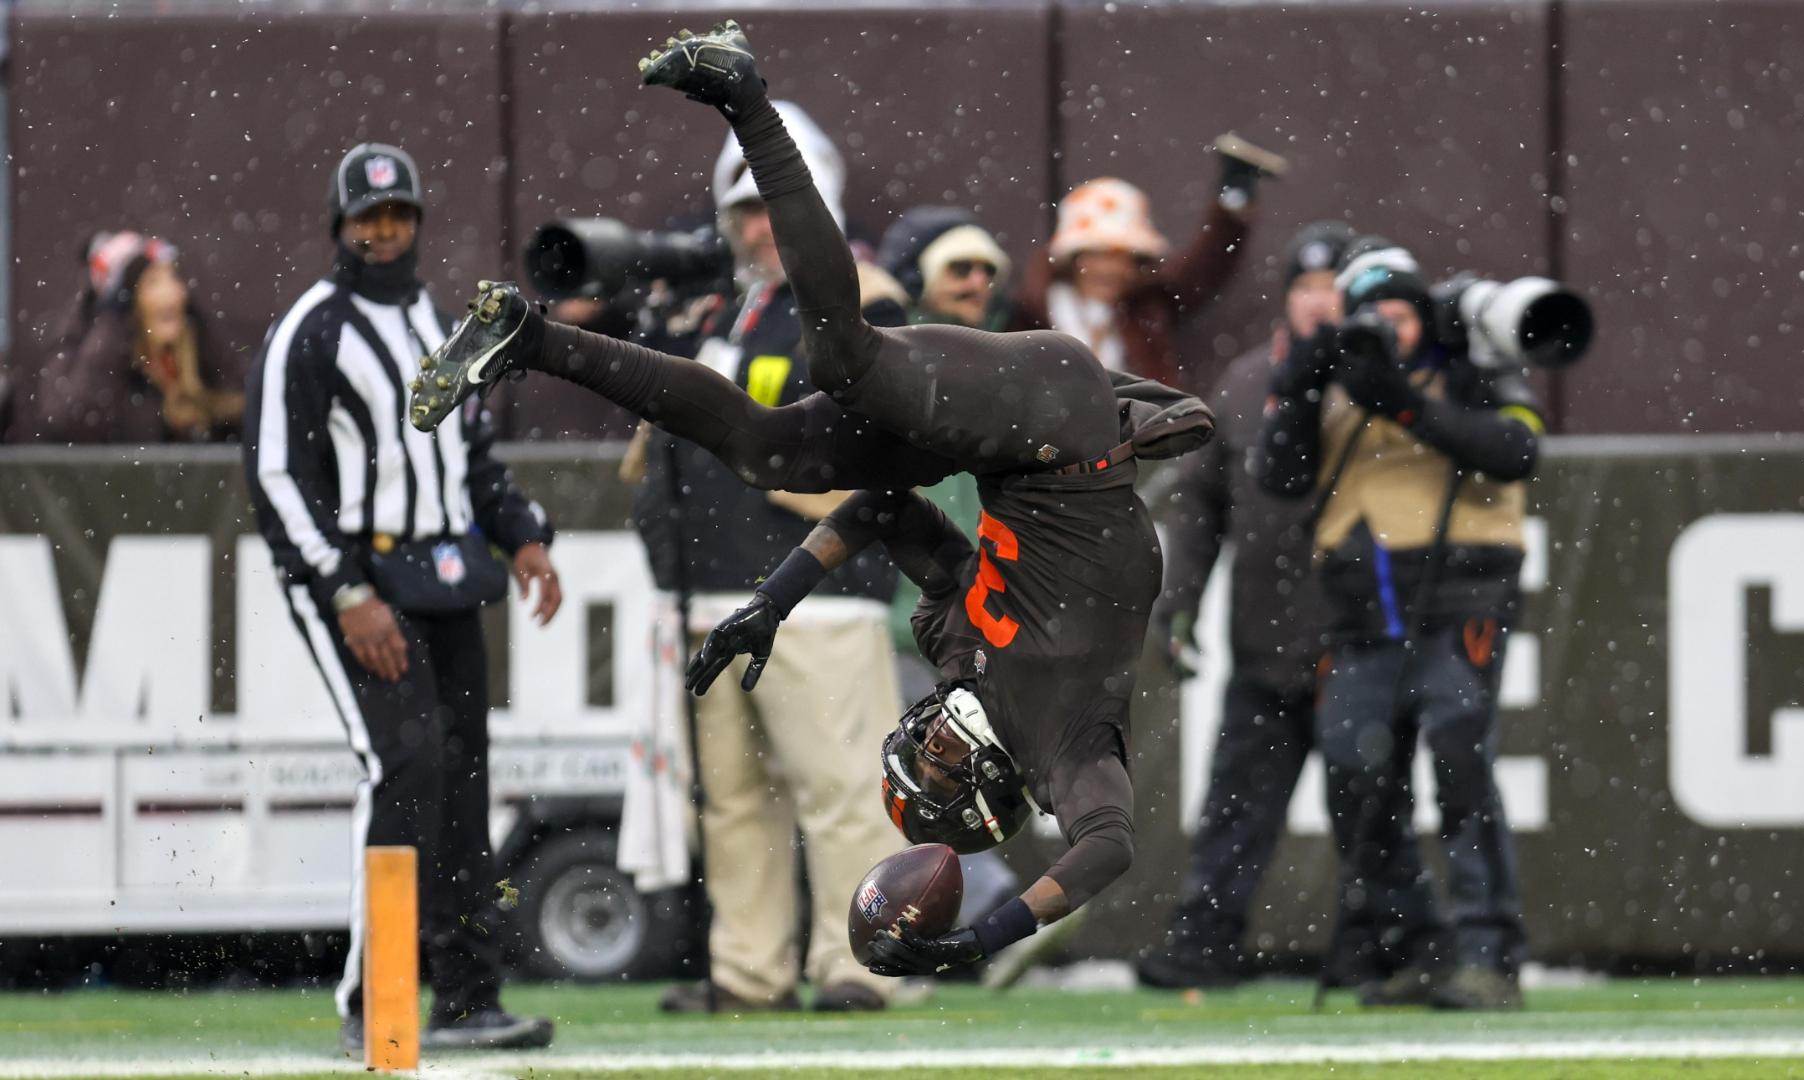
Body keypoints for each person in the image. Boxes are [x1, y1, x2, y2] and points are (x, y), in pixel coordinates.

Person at [406, 20, 1215, 978]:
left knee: (763, 445)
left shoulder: (961, 653)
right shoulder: (1069, 749)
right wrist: (985, 937)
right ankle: (744, 93)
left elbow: (882, 510)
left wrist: (768, 606)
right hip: (1058, 418)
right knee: (846, 357)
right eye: (945, 769)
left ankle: (528, 340)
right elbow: (1109, 847)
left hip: (1021, 453)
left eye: (925, 758)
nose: (932, 743)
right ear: (993, 791)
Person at [244, 142, 563, 1051]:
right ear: (340, 228)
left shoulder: (436, 318)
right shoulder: (312, 327)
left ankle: (466, 996)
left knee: (464, 779)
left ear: (417, 222)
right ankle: (371, 1001)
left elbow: (468, 455)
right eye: (366, 218)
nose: (383, 232)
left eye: (397, 216)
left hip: (447, 572)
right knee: (406, 765)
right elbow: (275, 475)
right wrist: (346, 588)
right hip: (359, 579)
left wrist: (524, 533)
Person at [635, 101, 916, 1016]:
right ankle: (749, 972)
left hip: (819, 591)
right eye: (743, 211)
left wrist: (742, 447)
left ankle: (859, 964)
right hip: (713, 588)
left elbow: (870, 460)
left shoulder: (863, 301)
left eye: (772, 206)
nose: (759, 226)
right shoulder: (724, 306)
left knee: (842, 793)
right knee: (735, 804)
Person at [1256, 242, 1541, 1010]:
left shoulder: (1473, 365)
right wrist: (1303, 379)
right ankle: (1412, 945)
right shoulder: (1336, 378)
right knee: (1355, 773)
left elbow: (1515, 449)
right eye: (1372, 315)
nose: (1389, 328)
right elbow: (1276, 477)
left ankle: (1489, 953)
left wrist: (1407, 403)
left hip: (1461, 598)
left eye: (1403, 313)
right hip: (1361, 611)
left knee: (1460, 762)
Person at [1136, 221, 1356, 990]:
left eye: (1335, 291)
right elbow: (1199, 510)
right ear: (1287, 301)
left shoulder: (1380, 382)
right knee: (1237, 805)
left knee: (1370, 805)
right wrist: (1177, 605)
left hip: (1357, 641)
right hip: (1265, 637)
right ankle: (1205, 940)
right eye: (1307, 290)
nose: (1321, 306)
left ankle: (1379, 946)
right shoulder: (1243, 383)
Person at [1007, 161, 1260, 390]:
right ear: (1072, 259)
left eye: (1123, 257)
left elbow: (1202, 270)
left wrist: (1231, 206)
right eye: (1097, 254)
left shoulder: (1144, 309)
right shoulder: (1032, 312)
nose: (1110, 268)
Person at [16, 231, 244, 444]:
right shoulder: (101, 363)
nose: (172, 291)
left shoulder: (201, 355)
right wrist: (113, 320)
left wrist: (200, 321)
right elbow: (73, 423)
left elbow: (244, 400)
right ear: (129, 304)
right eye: (153, 282)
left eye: (175, 278)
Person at [876, 207, 1012, 331]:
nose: (979, 283)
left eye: (989, 270)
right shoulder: (874, 346)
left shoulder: (1013, 341)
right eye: (962, 268)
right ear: (919, 278)